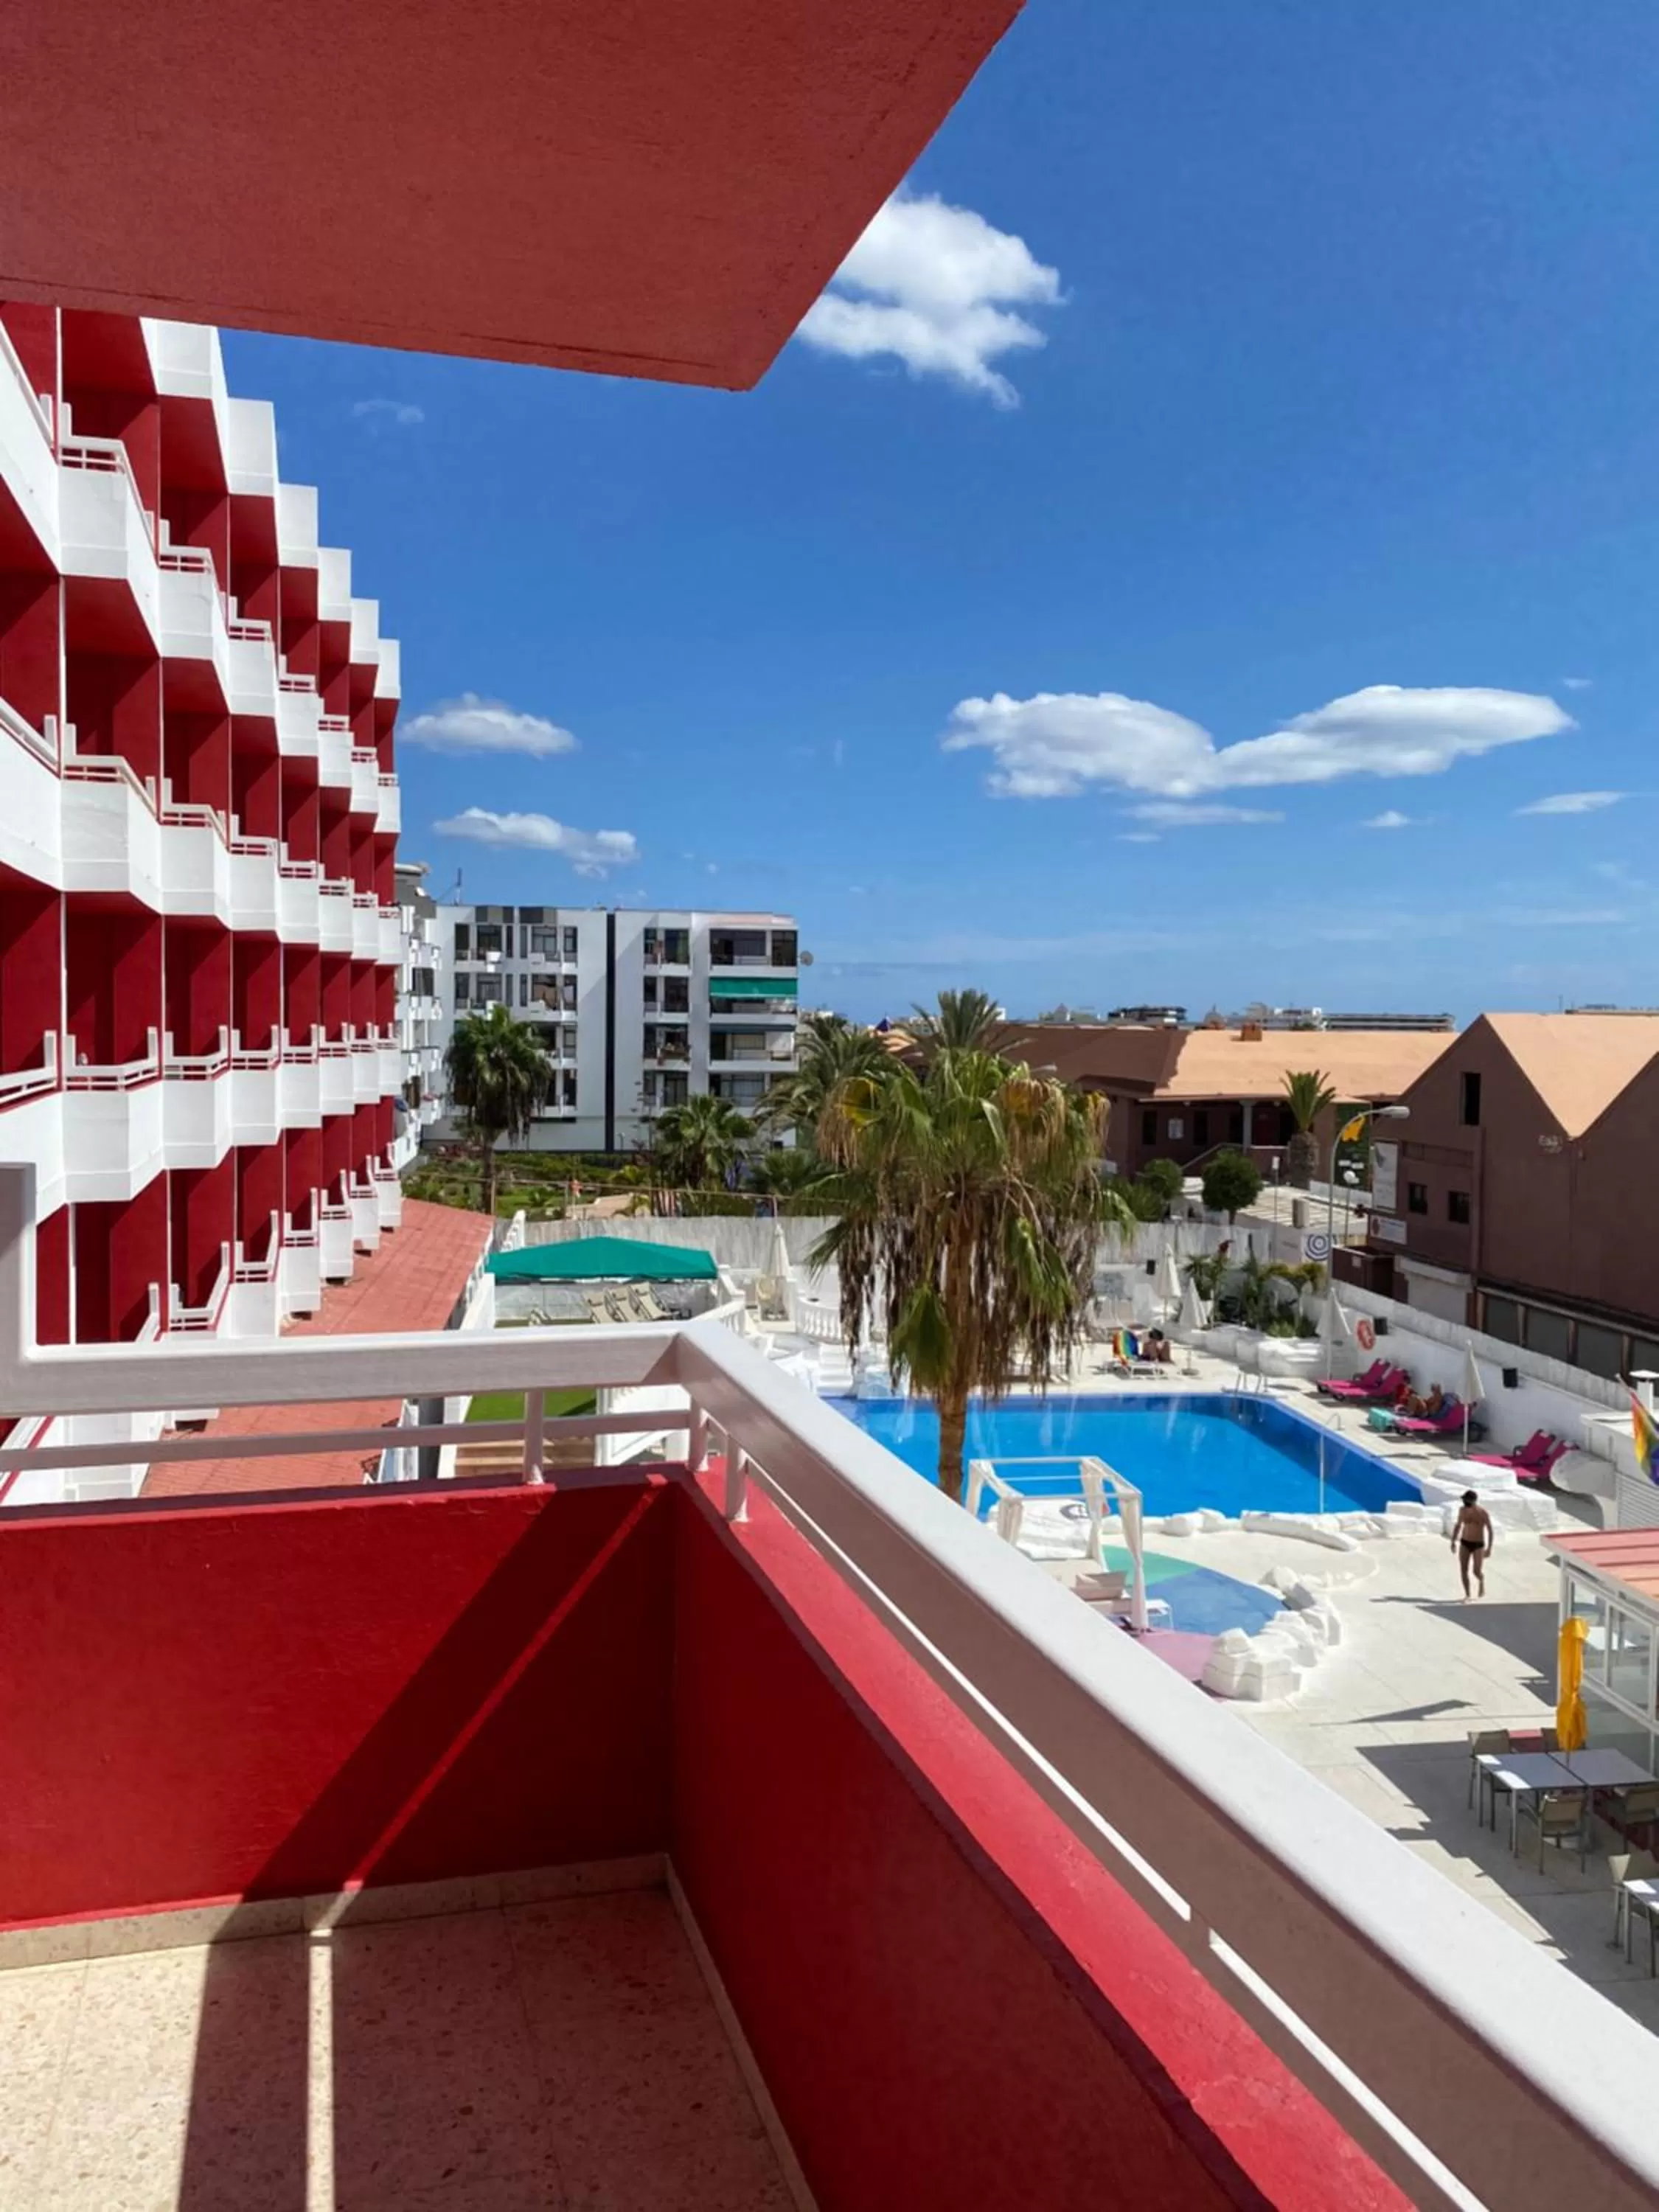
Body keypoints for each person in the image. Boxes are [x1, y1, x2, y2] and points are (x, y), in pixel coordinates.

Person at [1450, 1491, 1492, 1601]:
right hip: (1465, 1542)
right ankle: (1467, 1594)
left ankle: (1481, 1580)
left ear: (1473, 1501)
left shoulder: (1482, 1513)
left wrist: (1489, 1548)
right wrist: (1453, 1541)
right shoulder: (1462, 1511)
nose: (1464, 1502)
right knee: (1463, 1569)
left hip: (1478, 1544)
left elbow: (1490, 1530)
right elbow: (1458, 1525)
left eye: (1467, 1500)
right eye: (1464, 1500)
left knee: (1476, 1571)